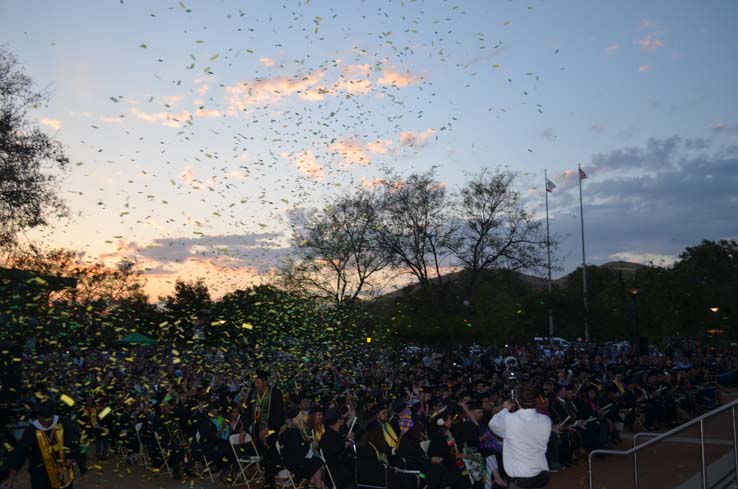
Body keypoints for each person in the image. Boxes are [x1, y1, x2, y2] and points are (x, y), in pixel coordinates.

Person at [1, 401, 80, 489]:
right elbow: (20, 453)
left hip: (62, 469)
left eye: (48, 420)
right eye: (42, 421)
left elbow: (72, 446)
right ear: (38, 417)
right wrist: (11, 478)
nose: (45, 424)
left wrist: (66, 468)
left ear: (53, 415)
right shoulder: (32, 430)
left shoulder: (63, 425)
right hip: (41, 474)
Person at [489, 384, 551, 489]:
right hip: (542, 475)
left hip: (521, 480)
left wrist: (505, 408)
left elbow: (493, 424)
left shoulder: (509, 420)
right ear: (536, 400)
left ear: (517, 401)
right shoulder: (545, 420)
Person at [244, 370, 285, 489]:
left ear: (265, 382)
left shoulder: (275, 393)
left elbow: (279, 415)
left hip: (272, 431)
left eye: (258, 382)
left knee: (272, 455)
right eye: (255, 382)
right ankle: (268, 478)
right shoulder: (253, 393)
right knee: (264, 457)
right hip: (257, 431)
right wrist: (245, 429)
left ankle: (271, 480)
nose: (256, 384)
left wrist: (268, 429)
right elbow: (247, 412)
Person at [278, 406, 324, 489]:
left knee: (315, 462)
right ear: (296, 418)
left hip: (289, 462)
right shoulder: (293, 432)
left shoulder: (285, 430)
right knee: (317, 462)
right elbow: (301, 451)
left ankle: (311, 484)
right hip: (296, 464)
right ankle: (318, 486)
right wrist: (311, 446)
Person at [319, 407, 354, 489]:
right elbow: (333, 452)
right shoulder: (327, 436)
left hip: (343, 465)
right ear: (338, 420)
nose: (344, 419)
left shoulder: (336, 432)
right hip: (337, 470)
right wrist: (346, 444)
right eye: (341, 418)